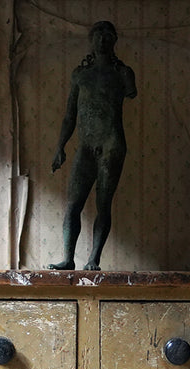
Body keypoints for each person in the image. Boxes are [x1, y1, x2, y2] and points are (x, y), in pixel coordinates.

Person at [48, 21, 137, 271]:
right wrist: (60, 147)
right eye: (98, 34)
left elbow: (131, 91)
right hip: (86, 145)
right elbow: (70, 116)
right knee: (73, 205)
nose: (103, 39)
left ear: (114, 40)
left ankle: (93, 260)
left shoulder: (123, 73)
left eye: (108, 35)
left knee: (103, 205)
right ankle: (68, 258)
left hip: (111, 144)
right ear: (91, 39)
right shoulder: (80, 75)